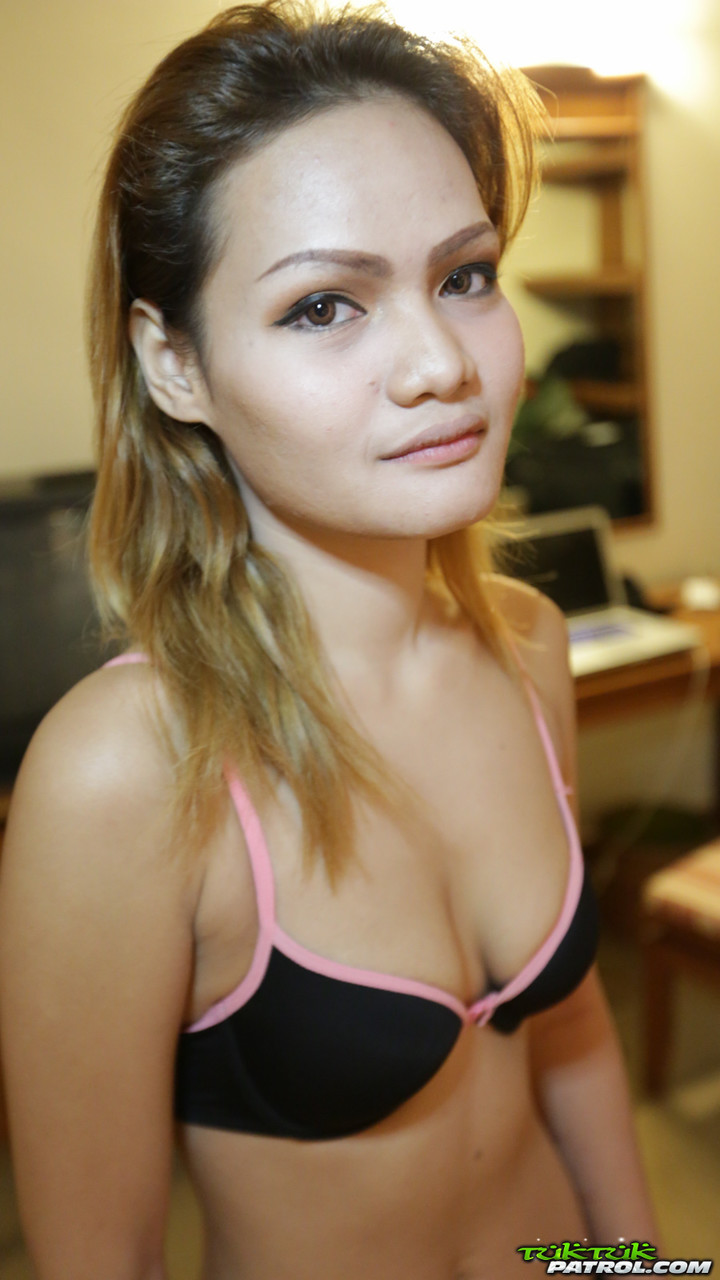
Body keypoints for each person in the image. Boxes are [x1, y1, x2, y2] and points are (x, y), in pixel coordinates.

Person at [0, 3, 659, 1277]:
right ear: (174, 364)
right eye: (321, 307)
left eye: (464, 277)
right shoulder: (122, 774)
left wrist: (647, 1265)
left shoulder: (526, 646)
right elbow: (102, 1254)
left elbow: (569, 1031)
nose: (438, 363)